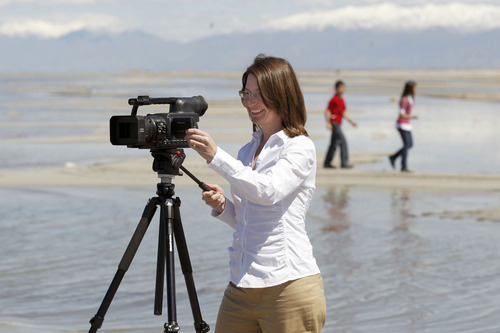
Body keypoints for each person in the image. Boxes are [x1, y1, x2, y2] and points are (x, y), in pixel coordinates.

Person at [185, 54, 326, 333]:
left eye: (259, 95)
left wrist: (216, 156)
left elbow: (268, 191)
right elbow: (248, 222)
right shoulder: (247, 151)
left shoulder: (299, 147)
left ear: (282, 94)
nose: (250, 103)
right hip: (242, 284)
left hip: (288, 286)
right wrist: (224, 206)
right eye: (246, 94)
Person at [323, 80, 357, 169]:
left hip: (338, 123)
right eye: (341, 88)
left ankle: (327, 163)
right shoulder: (333, 99)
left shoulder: (341, 100)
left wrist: (351, 122)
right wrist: (328, 123)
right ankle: (344, 162)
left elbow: (343, 113)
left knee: (334, 144)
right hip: (334, 123)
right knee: (343, 141)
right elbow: (327, 111)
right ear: (336, 89)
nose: (342, 90)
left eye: (343, 88)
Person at [389, 81, 418, 172]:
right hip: (402, 124)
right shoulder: (404, 100)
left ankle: (393, 157)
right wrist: (412, 117)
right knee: (406, 145)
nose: (416, 90)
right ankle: (403, 166)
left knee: (410, 144)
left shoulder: (410, 98)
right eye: (414, 88)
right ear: (410, 89)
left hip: (407, 124)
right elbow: (401, 114)